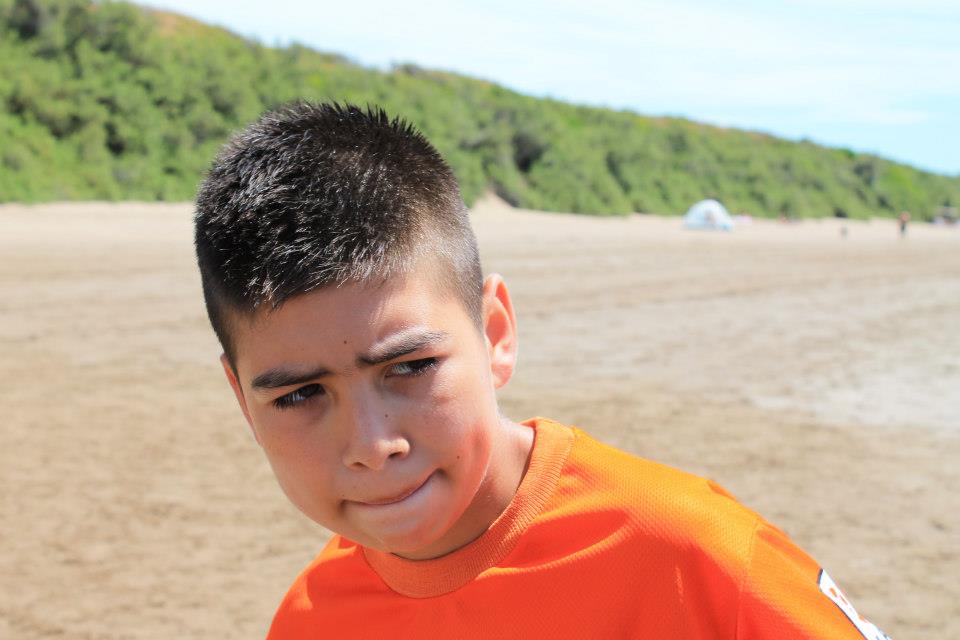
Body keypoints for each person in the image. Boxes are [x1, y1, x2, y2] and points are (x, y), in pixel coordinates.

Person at [193, 102, 891, 639]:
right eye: (301, 395)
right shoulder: (312, 620)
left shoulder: (693, 556)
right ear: (243, 401)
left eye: (410, 367)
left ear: (495, 333)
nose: (373, 446)